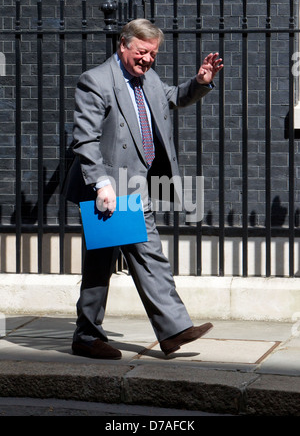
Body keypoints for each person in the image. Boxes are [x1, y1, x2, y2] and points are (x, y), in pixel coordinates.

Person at [64, 18, 223, 360]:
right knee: (133, 258)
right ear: (123, 45)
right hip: (107, 188)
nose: (148, 59)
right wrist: (102, 184)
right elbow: (85, 140)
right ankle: (165, 329)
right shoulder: (96, 81)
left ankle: (95, 335)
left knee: (108, 262)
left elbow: (172, 98)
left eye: (153, 53)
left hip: (134, 186)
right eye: (142, 51)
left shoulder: (146, 79)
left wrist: (198, 82)